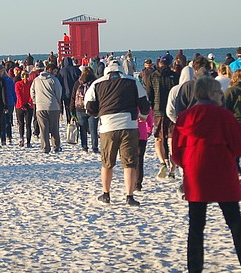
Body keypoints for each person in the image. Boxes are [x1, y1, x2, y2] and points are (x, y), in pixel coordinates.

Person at [171, 76, 241, 273]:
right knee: (234, 221)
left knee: (196, 225)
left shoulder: (185, 117)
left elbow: (176, 152)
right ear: (212, 94)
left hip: (195, 172)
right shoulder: (224, 116)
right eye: (219, 93)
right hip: (222, 169)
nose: (222, 96)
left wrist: (187, 164)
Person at [84, 60, 150, 206]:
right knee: (129, 163)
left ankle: (106, 194)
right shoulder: (132, 81)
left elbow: (88, 106)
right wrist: (143, 117)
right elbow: (145, 104)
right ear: (121, 69)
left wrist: (99, 115)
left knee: (107, 163)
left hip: (108, 126)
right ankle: (129, 196)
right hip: (129, 125)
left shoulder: (97, 83)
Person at [146, 55, 180, 180]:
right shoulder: (175, 76)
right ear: (171, 64)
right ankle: (172, 170)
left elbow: (149, 94)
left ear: (160, 63)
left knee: (159, 139)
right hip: (172, 110)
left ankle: (162, 162)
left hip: (158, 110)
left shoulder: (153, 76)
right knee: (172, 141)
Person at [31, 62, 63, 153]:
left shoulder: (36, 80)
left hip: (40, 107)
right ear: (50, 70)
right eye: (55, 71)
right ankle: (56, 146)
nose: (56, 73)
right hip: (53, 106)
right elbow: (58, 92)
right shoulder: (54, 80)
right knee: (54, 128)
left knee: (43, 128)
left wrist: (35, 101)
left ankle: (45, 147)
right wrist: (57, 101)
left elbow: (32, 91)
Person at [70, 67, 98, 153]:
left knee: (82, 129)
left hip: (80, 109)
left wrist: (72, 110)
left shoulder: (78, 83)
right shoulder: (95, 83)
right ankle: (94, 147)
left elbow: (73, 97)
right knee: (93, 129)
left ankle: (84, 147)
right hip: (92, 108)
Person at [58, 56, 81, 122]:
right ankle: (76, 122)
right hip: (76, 93)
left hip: (66, 94)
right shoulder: (77, 70)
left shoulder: (61, 71)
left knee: (68, 109)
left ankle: (69, 121)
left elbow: (59, 83)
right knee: (76, 109)